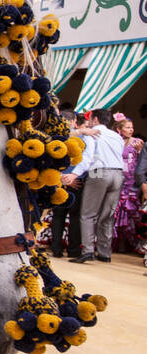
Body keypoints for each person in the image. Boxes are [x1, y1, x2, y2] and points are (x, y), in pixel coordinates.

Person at [63, 108, 125, 263]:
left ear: (95, 120)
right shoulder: (116, 136)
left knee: (88, 214)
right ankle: (105, 253)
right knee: (107, 215)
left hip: (99, 173)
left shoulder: (91, 133)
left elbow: (88, 157)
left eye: (91, 119)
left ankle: (88, 251)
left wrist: (74, 174)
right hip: (117, 174)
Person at [48, 109, 83, 258]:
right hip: (76, 181)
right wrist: (74, 177)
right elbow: (86, 159)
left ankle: (56, 249)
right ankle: (74, 250)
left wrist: (62, 178)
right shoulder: (81, 137)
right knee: (75, 216)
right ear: (74, 121)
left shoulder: (53, 137)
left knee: (58, 215)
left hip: (58, 179)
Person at [111, 114, 143, 254]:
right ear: (119, 129)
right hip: (117, 179)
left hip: (130, 183)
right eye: (128, 127)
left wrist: (140, 151)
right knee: (114, 211)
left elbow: (142, 162)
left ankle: (124, 243)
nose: (131, 130)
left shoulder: (137, 142)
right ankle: (112, 242)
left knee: (127, 212)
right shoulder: (114, 141)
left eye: (132, 127)